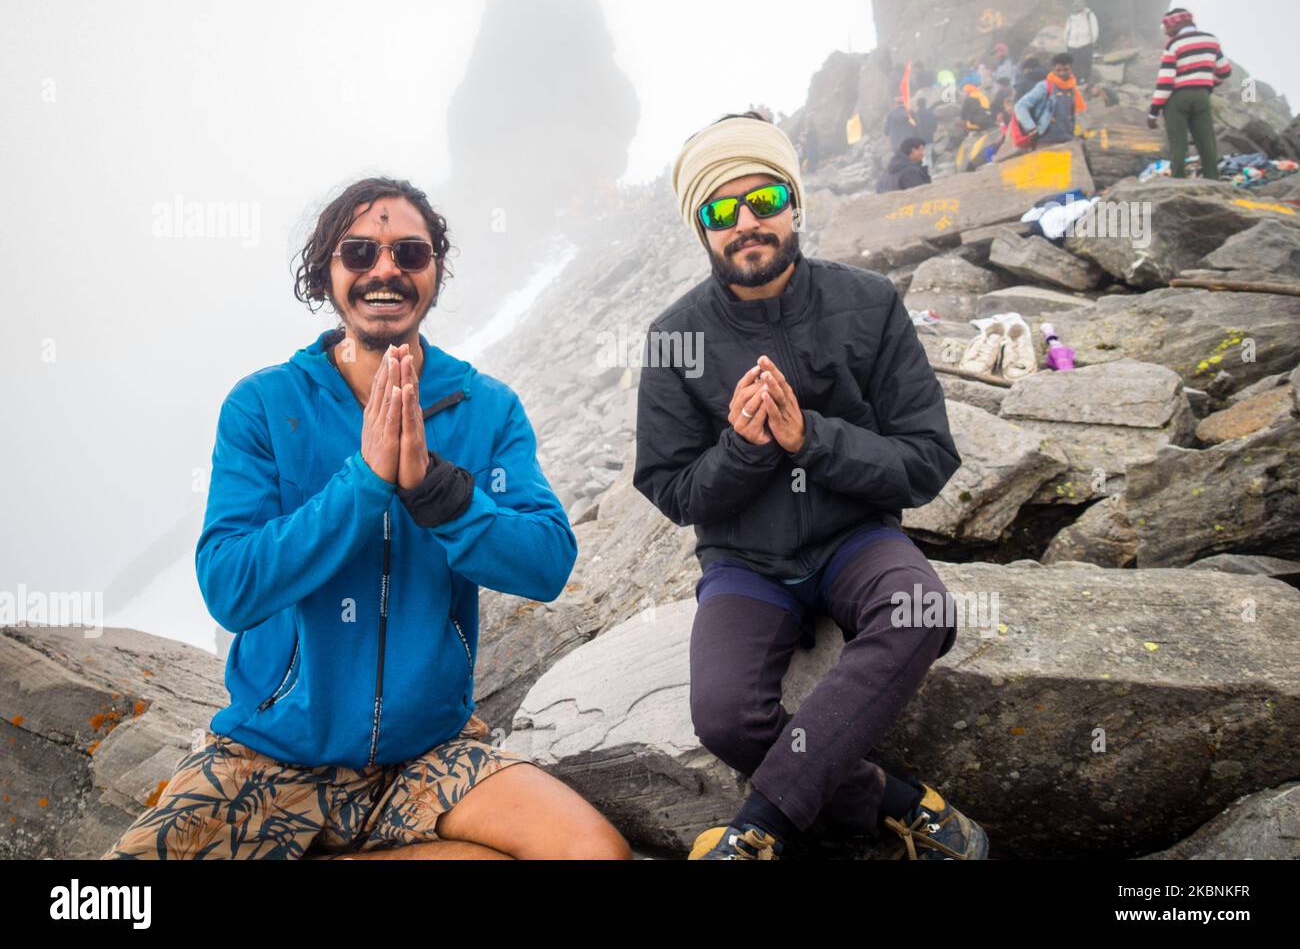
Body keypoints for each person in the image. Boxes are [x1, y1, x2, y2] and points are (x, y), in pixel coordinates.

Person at [104, 177, 630, 861]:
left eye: (409, 252)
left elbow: (548, 561)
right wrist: (364, 484)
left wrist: (440, 491)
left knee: (592, 852)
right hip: (271, 756)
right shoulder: (264, 404)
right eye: (359, 251)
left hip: (430, 753)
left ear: (435, 271)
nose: (385, 269)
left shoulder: (485, 406)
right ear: (327, 272)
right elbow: (230, 584)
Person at [633, 111, 986, 862]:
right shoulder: (674, 337)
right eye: (721, 210)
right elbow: (672, 488)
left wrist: (809, 440)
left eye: (763, 199)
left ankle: (761, 828)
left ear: (795, 203)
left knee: (921, 611)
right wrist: (747, 448)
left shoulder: (869, 303)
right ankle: (893, 799)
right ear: (702, 229)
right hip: (745, 563)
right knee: (724, 715)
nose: (746, 222)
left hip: (856, 538)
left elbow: (927, 458)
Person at [1146, 7, 1233, 180]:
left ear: (1179, 23)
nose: (1165, 31)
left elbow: (1166, 81)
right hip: (1202, 96)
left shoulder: (1174, 44)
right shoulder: (1211, 40)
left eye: (1168, 26)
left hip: (1177, 99)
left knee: (1178, 144)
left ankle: (1178, 181)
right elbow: (1225, 71)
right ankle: (1212, 180)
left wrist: (1153, 112)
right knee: (1206, 142)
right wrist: (1208, 82)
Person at [1014, 52, 1087, 147]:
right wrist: (1031, 128)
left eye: (1066, 70)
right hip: (1047, 140)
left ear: (1071, 69)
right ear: (1053, 70)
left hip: (1068, 140)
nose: (1062, 73)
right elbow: (1020, 105)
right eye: (1058, 70)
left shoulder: (1073, 90)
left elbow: (1077, 114)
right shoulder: (1045, 86)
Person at [1063, 0, 1100, 85]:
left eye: (1081, 5)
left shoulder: (1089, 14)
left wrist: (1093, 40)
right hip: (1072, 45)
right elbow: (1067, 30)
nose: (1079, 6)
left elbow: (1095, 28)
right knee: (1074, 65)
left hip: (1086, 43)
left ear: (1084, 5)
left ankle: (1087, 82)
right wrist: (1066, 42)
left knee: (1086, 63)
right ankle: (1076, 82)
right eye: (1077, 5)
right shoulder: (1070, 17)